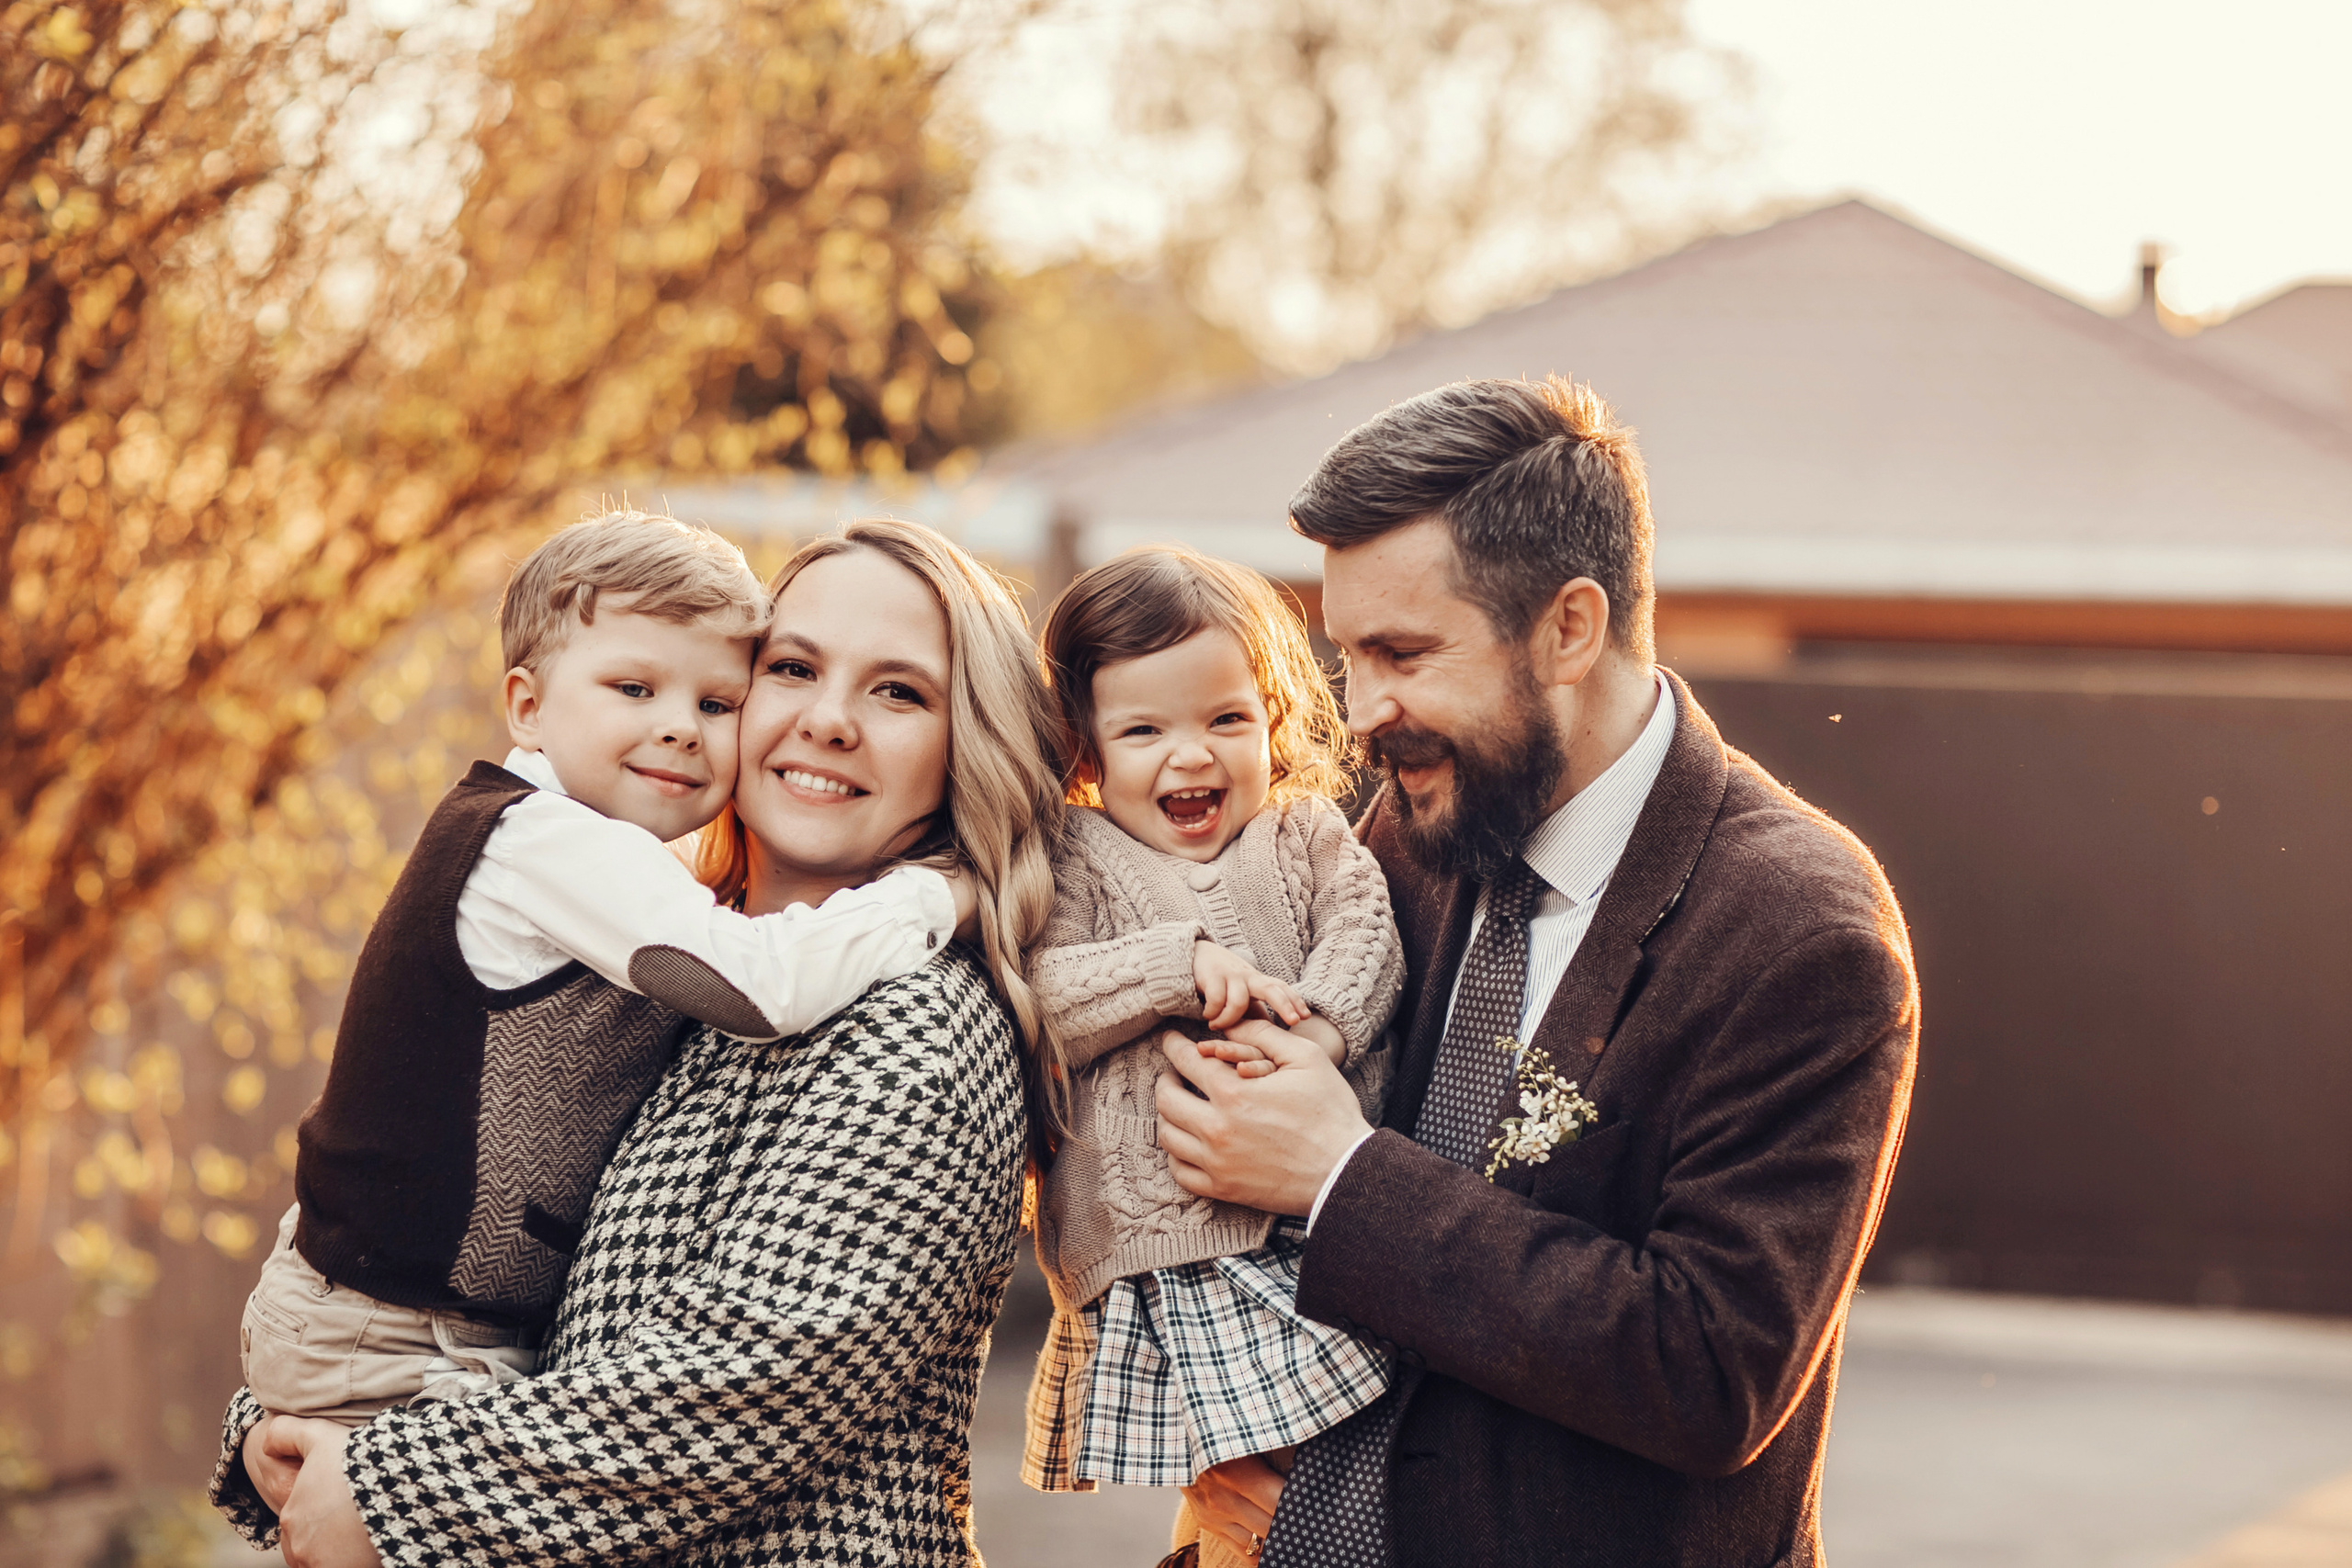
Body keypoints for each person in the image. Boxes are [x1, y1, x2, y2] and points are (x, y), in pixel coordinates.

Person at [1155, 377, 1919, 1567]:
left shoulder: (1800, 929)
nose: (1362, 710)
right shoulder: (1412, 829)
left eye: (1403, 652)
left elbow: (1710, 1368)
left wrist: (1343, 1175)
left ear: (1570, 627)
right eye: (1350, 655)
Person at [209, 519, 1064, 1567]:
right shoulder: (666, 969)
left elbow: (739, 1391)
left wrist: (384, 1491)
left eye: (900, 692)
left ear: (963, 745)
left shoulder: (917, 1030)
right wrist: (292, 1429)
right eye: (792, 669)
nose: (830, 720)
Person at [1020, 547, 1404, 1568]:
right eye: (1144, 730)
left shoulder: (1304, 834)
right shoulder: (1077, 855)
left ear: (1275, 721)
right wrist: (1171, 966)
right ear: (1087, 748)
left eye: (1225, 721)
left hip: (1312, 1237)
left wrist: (1318, 1031)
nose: (1190, 757)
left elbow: (1369, 933)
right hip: (1166, 1255)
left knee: (1334, 1466)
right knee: (1252, 1493)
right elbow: (1042, 1000)